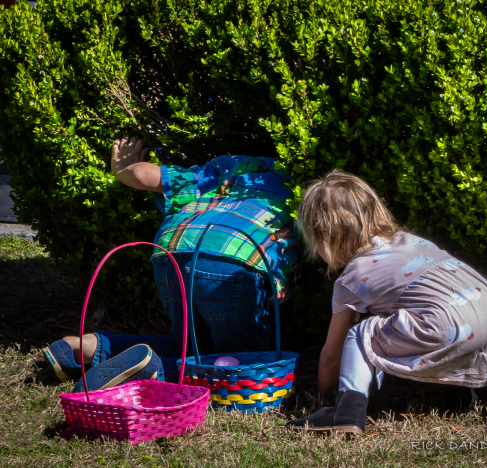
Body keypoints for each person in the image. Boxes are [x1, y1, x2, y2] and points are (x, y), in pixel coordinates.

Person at [43, 136, 299, 391]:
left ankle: (90, 347)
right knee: (246, 362)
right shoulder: (299, 187)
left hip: (173, 251)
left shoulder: (232, 167)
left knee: (192, 347)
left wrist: (122, 169)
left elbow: (144, 175)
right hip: (233, 259)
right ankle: (159, 371)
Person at [286, 170, 487, 435]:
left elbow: (331, 355)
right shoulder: (413, 242)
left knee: (363, 333)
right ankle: (462, 400)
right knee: (457, 323)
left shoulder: (353, 278)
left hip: (447, 320)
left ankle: (344, 412)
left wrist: (322, 396)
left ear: (325, 236)